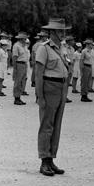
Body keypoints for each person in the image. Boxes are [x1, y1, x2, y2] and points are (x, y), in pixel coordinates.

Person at [34, 18, 72, 177]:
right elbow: (38, 74)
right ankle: (44, 160)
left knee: (56, 125)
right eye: (60, 31)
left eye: (64, 31)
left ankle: (51, 158)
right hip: (49, 87)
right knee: (46, 125)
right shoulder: (44, 49)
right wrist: (40, 96)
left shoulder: (62, 48)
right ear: (52, 32)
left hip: (61, 87)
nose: (63, 33)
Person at [12, 32, 30, 105]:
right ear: (21, 39)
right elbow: (15, 57)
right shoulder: (17, 46)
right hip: (19, 64)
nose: (26, 39)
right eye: (24, 38)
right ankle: (16, 97)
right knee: (18, 81)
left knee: (22, 80)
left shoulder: (24, 46)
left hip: (24, 64)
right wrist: (15, 68)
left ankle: (19, 96)